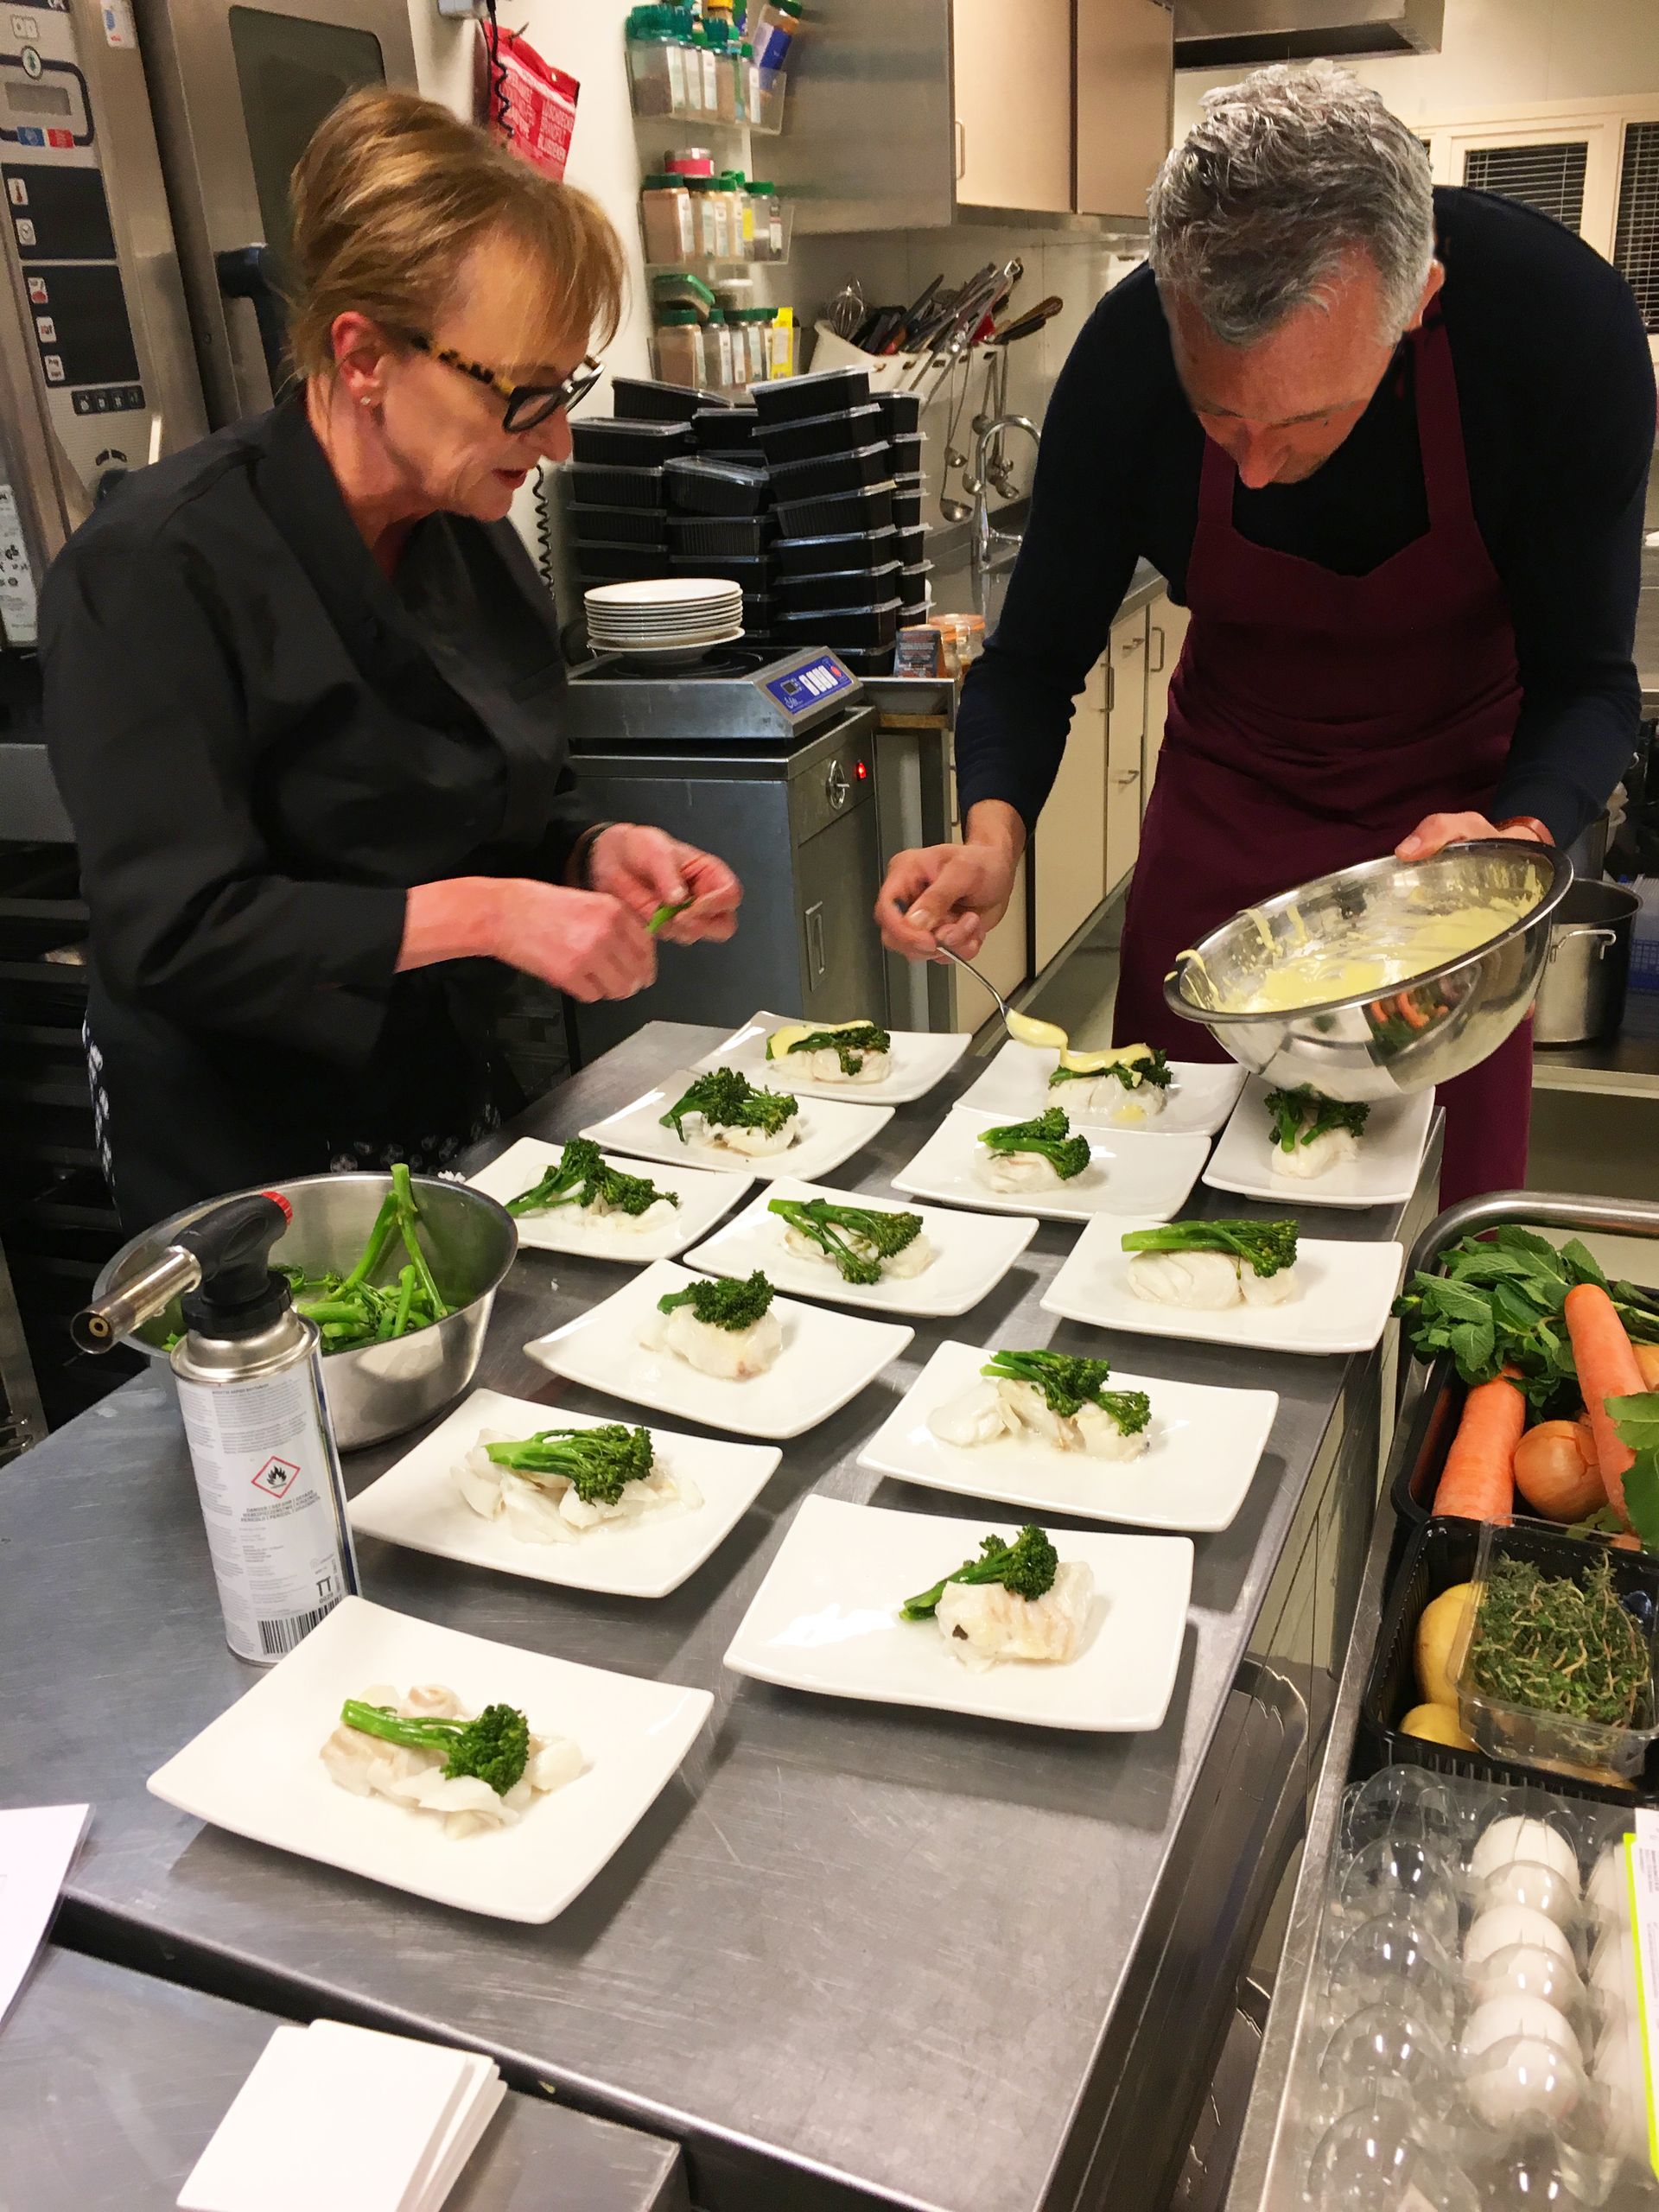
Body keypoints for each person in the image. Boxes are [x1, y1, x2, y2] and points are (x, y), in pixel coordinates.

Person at [875, 63, 1655, 1207]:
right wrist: (992, 832)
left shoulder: (1555, 335)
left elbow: (1589, 681)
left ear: (1417, 296)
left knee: (1433, 1227)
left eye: (1304, 419)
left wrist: (1518, 834)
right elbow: (1031, 661)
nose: (1251, 467)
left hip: (1453, 844)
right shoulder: (1126, 361)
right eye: (1216, 412)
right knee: (1165, 1197)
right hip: (1223, 824)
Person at [42, 89, 741, 1232]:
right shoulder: (153, 569)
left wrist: (591, 851)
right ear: (363, 353)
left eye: (563, 389)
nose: (556, 440)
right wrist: (491, 915)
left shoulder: (463, 534)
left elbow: (491, 800)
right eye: (521, 394)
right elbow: (175, 929)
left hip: (435, 1088)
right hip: (239, 1152)